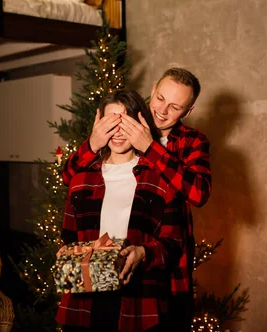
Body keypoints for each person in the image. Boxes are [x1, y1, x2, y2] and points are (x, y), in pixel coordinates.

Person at [62, 68, 212, 331]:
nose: (163, 111)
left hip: (167, 277)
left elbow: (198, 194)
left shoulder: (191, 142)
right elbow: (71, 178)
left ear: (187, 112)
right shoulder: (123, 122)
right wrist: (93, 144)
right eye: (160, 99)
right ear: (152, 91)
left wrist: (149, 148)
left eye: (175, 107)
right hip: (98, 283)